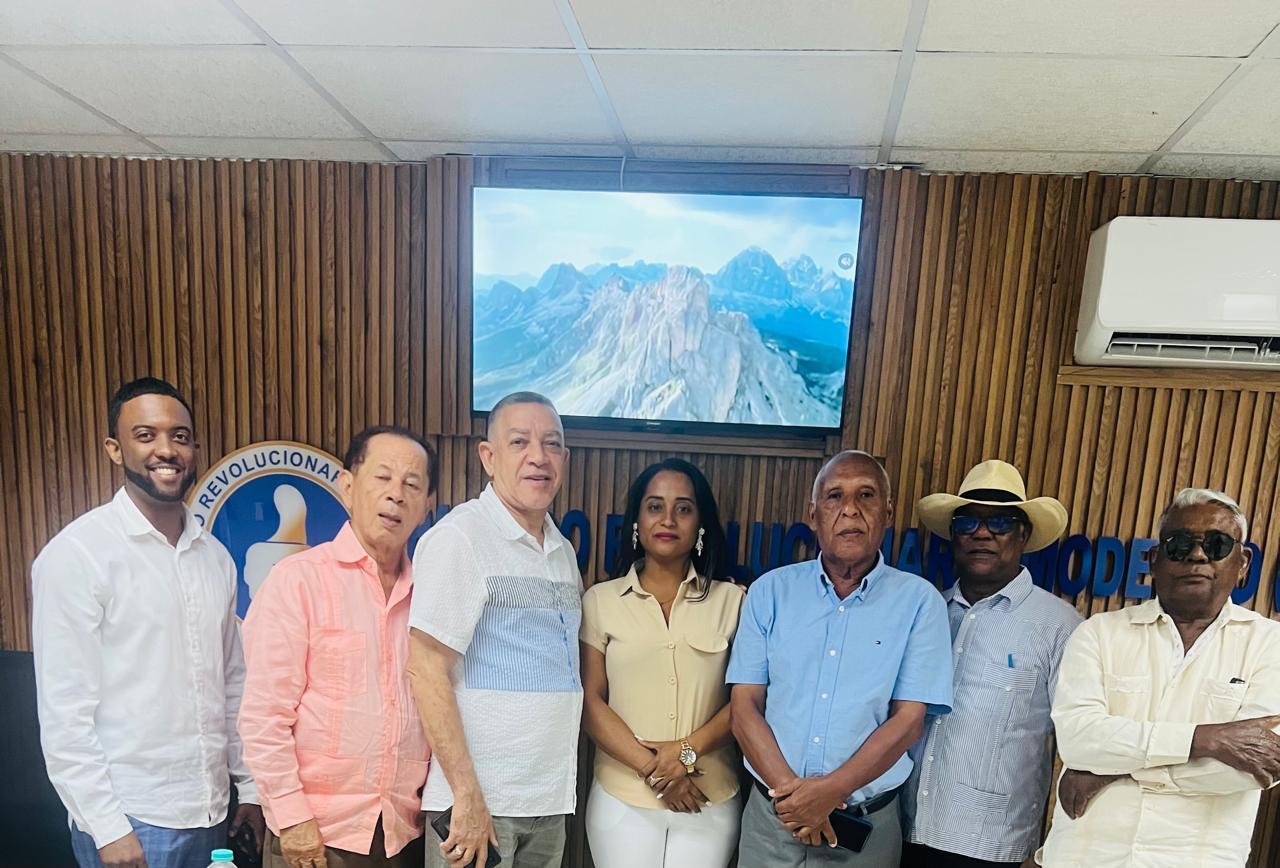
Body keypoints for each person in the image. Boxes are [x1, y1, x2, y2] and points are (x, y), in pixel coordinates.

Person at [32, 377, 263, 868]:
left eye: (180, 436)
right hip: (131, 820)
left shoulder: (215, 558)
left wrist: (249, 786)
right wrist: (108, 829)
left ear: (194, 448)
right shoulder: (78, 555)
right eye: (145, 435)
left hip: (213, 812)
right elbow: (65, 715)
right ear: (115, 449)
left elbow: (233, 685)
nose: (167, 450)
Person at [728, 450, 953, 867]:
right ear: (813, 515)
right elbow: (744, 709)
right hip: (771, 821)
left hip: (863, 831)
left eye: (866, 495)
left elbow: (908, 721)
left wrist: (829, 791)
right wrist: (797, 801)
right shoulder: (770, 592)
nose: (850, 509)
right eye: (835, 496)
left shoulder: (920, 603)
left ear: (887, 513)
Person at [1038, 488, 1280, 867]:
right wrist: (1204, 740)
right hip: (1087, 856)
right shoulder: (1099, 633)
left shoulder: (1271, 646)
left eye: (1216, 544)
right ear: (1154, 560)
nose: (1197, 555)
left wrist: (1111, 773)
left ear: (1243, 562)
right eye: (1180, 544)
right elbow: (1078, 740)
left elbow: (1254, 767)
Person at [239, 426, 438, 868]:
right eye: (382, 478)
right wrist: (292, 819)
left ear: (428, 504)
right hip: (317, 836)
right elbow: (263, 717)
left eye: (412, 484)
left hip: (403, 834)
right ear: (347, 486)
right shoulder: (298, 581)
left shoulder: (431, 596)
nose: (396, 494)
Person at [407, 392, 582, 868]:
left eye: (551, 444)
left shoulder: (562, 552)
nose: (538, 457)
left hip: (547, 803)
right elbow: (425, 669)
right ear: (488, 456)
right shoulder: (461, 538)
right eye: (519, 442)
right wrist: (465, 795)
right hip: (479, 807)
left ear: (564, 460)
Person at [901, 459, 1081, 867]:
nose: (982, 533)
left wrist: (1054, 849)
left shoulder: (1060, 627)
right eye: (968, 522)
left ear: (1023, 535)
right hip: (903, 830)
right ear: (953, 535)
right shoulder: (926, 614)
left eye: (1000, 522)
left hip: (991, 848)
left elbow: (1076, 746)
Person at [580, 458, 744, 868]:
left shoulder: (735, 602)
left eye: (683, 508)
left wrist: (686, 754)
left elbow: (745, 703)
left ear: (700, 523)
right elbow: (590, 702)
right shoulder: (600, 601)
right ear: (637, 520)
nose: (668, 519)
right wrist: (657, 771)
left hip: (708, 798)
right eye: (655, 506)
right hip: (622, 799)